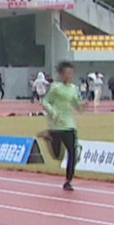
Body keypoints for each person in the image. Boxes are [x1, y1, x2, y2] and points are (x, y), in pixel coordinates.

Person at [43, 61, 84, 192]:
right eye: (67, 73)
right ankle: (49, 137)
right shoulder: (55, 88)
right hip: (56, 124)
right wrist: (52, 112)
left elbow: (77, 106)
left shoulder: (73, 89)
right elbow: (45, 101)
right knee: (57, 155)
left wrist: (83, 105)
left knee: (73, 151)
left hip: (69, 124)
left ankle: (68, 180)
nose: (70, 76)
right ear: (61, 74)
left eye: (71, 73)